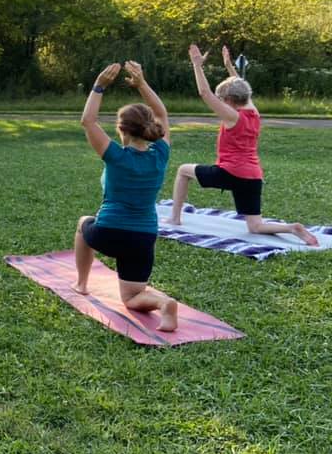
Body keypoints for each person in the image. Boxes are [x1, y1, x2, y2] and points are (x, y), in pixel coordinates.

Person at [165, 45, 318, 246]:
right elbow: (242, 87)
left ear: (229, 100)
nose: (219, 102)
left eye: (222, 100)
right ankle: (292, 228)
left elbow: (205, 93)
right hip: (253, 176)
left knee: (183, 170)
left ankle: (175, 218)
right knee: (255, 226)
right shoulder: (253, 112)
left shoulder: (232, 116)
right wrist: (229, 66)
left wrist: (197, 65)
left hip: (230, 172)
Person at [73, 61, 178, 332]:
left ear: (122, 129)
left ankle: (82, 283)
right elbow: (162, 114)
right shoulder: (160, 156)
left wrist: (99, 85)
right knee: (132, 298)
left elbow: (88, 121)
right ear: (149, 129)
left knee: (84, 221)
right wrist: (141, 83)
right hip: (143, 238)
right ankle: (164, 303)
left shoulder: (116, 156)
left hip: (108, 232)